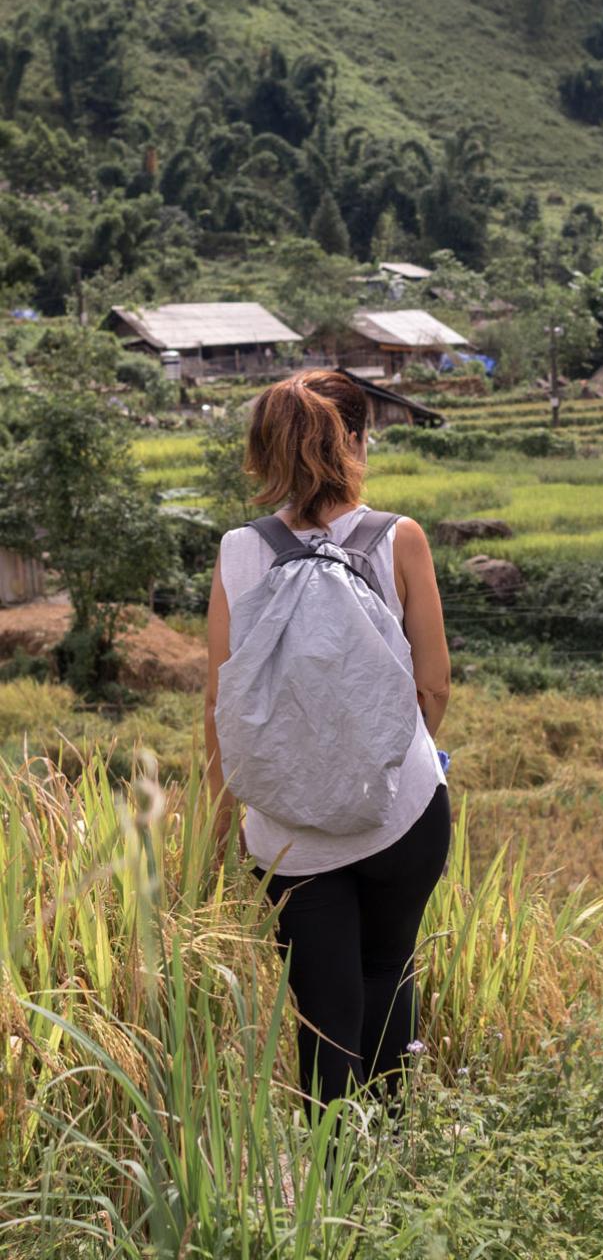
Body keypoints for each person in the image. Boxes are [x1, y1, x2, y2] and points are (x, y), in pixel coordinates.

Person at [205, 369, 451, 1114]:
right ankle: (395, 1150)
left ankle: (333, 1178)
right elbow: (433, 684)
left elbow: (221, 700)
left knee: (323, 1003)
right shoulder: (398, 538)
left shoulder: (239, 551)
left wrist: (222, 826)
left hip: (287, 834)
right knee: (388, 969)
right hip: (399, 813)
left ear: (264, 453)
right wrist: (384, 762)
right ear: (357, 442)